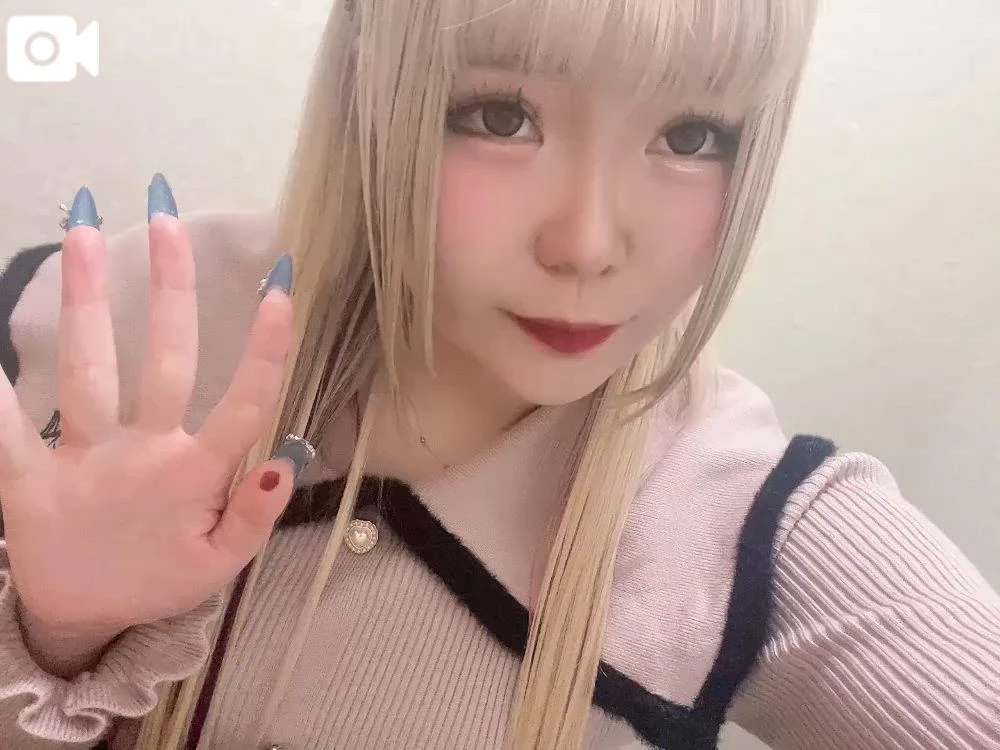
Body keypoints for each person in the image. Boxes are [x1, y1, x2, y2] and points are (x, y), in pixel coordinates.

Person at [0, 0, 998, 748]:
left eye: (692, 137)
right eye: (500, 116)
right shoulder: (77, 336)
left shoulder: (751, 523)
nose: (586, 244)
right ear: (369, 90)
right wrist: (62, 634)